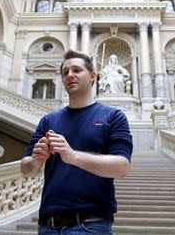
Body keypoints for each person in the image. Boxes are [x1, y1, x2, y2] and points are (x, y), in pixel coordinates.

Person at [21, 50, 133, 235]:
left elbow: (121, 167)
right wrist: (36, 161)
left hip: (90, 225)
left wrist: (72, 156)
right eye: (65, 72)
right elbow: (26, 169)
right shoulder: (48, 121)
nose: (70, 75)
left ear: (92, 76)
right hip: (47, 226)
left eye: (76, 70)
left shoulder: (113, 117)